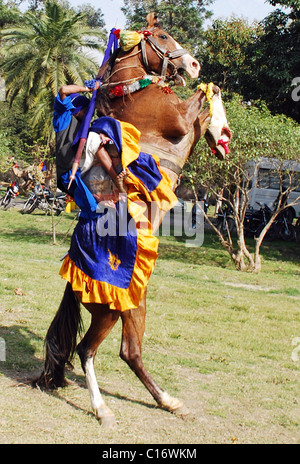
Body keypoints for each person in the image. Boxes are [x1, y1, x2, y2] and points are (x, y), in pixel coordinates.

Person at [53, 82, 100, 193]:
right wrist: (88, 89)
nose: (86, 115)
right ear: (78, 108)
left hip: (80, 170)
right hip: (67, 172)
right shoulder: (64, 117)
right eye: (85, 111)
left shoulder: (83, 126)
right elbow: (63, 89)